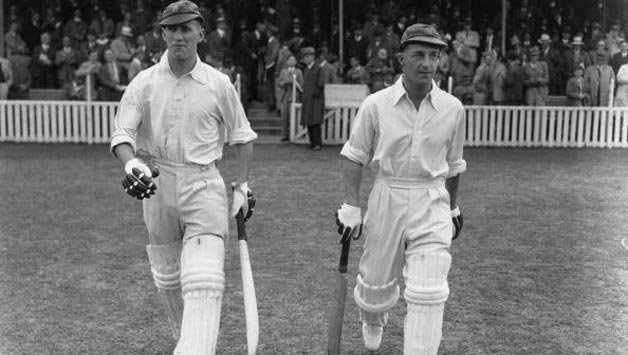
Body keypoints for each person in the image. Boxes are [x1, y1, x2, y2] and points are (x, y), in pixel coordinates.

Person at [109, 2, 257, 354]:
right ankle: (189, 341)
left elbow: (242, 136)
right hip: (157, 182)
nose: (179, 35)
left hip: (204, 182)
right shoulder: (144, 83)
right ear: (162, 33)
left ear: (201, 34)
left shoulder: (218, 84)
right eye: (172, 29)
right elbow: (121, 136)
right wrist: (132, 165)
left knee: (204, 279)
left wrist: (243, 185)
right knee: (169, 278)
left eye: (186, 28)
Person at [336, 23, 466, 354]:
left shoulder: (453, 108)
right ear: (401, 58)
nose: (427, 63)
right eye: (418, 55)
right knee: (374, 287)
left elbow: (453, 166)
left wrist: (452, 207)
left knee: (430, 289)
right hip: (387, 193)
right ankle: (373, 316)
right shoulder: (375, 105)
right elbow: (354, 156)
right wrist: (352, 207)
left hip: (431, 197)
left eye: (433, 56)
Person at [300, 46, 324, 151]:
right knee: (309, 121)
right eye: (305, 57)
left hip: (315, 99)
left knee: (315, 122)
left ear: (313, 57)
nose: (306, 59)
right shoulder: (306, 69)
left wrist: (316, 93)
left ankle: (318, 143)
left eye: (308, 57)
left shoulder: (318, 68)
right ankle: (312, 142)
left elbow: (321, 83)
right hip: (307, 99)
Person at [276, 53, 303, 141]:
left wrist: (294, 82)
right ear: (287, 62)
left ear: (296, 62)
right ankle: (284, 135)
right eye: (290, 60)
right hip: (285, 95)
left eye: (293, 60)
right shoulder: (283, 71)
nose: (291, 61)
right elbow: (279, 82)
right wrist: (284, 83)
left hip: (295, 95)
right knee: (284, 116)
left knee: (294, 116)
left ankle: (294, 134)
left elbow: (302, 83)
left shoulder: (298, 71)